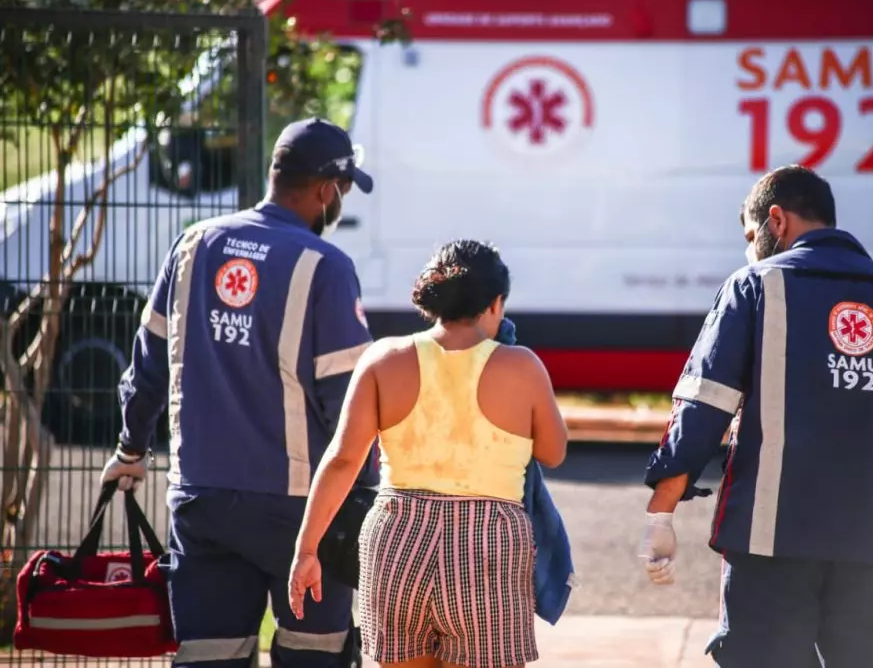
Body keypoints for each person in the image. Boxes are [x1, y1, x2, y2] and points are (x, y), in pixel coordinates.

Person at [638, 164, 873, 668]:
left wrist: (662, 513)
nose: (750, 247)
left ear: (777, 221)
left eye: (751, 234)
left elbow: (703, 408)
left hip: (770, 551)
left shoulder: (754, 288)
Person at [100, 117, 379, 668]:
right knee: (315, 657)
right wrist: (366, 496)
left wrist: (130, 450)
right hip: (301, 513)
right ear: (326, 190)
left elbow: (147, 365)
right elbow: (349, 405)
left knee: (209, 657)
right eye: (343, 191)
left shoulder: (193, 245)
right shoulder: (325, 267)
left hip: (201, 500)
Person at [288, 239, 568, 668]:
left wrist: (307, 550)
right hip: (487, 543)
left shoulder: (383, 358)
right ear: (494, 304)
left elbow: (343, 459)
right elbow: (553, 452)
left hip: (397, 538)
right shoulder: (522, 366)